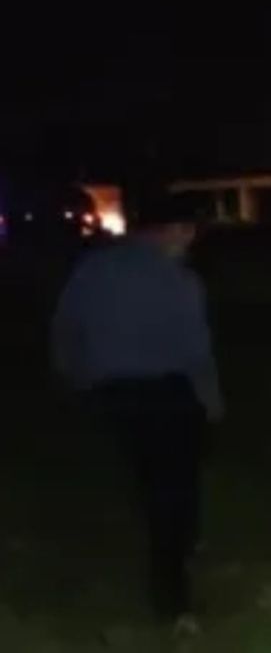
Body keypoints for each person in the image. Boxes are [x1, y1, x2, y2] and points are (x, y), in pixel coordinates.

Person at [50, 190, 222, 621]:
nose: (189, 247)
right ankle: (172, 592)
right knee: (175, 490)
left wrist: (76, 379)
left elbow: (66, 330)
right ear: (173, 232)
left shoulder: (93, 269)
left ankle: (153, 558)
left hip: (111, 395)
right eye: (188, 237)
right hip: (167, 396)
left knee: (142, 479)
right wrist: (212, 405)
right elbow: (196, 353)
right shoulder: (181, 283)